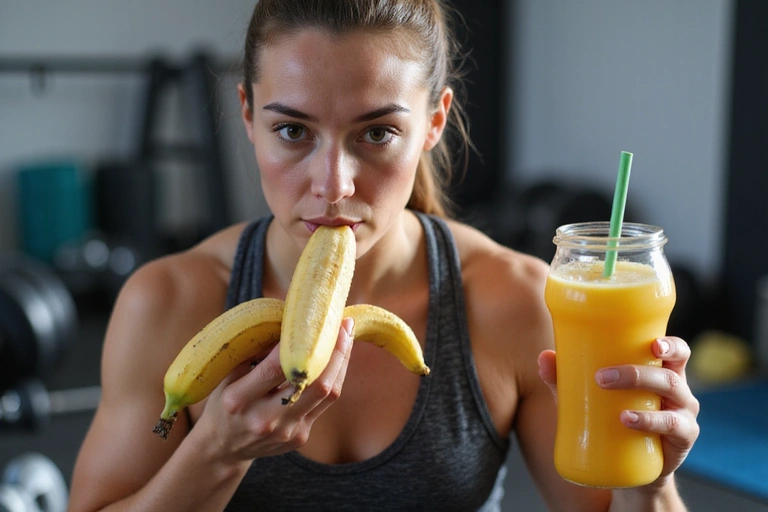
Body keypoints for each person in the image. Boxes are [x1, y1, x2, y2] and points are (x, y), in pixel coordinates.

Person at [68, 0, 700, 510]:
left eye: (377, 133)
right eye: (292, 131)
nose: (333, 183)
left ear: (433, 123)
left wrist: (650, 484)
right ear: (247, 114)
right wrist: (216, 453)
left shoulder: (513, 301)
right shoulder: (169, 303)